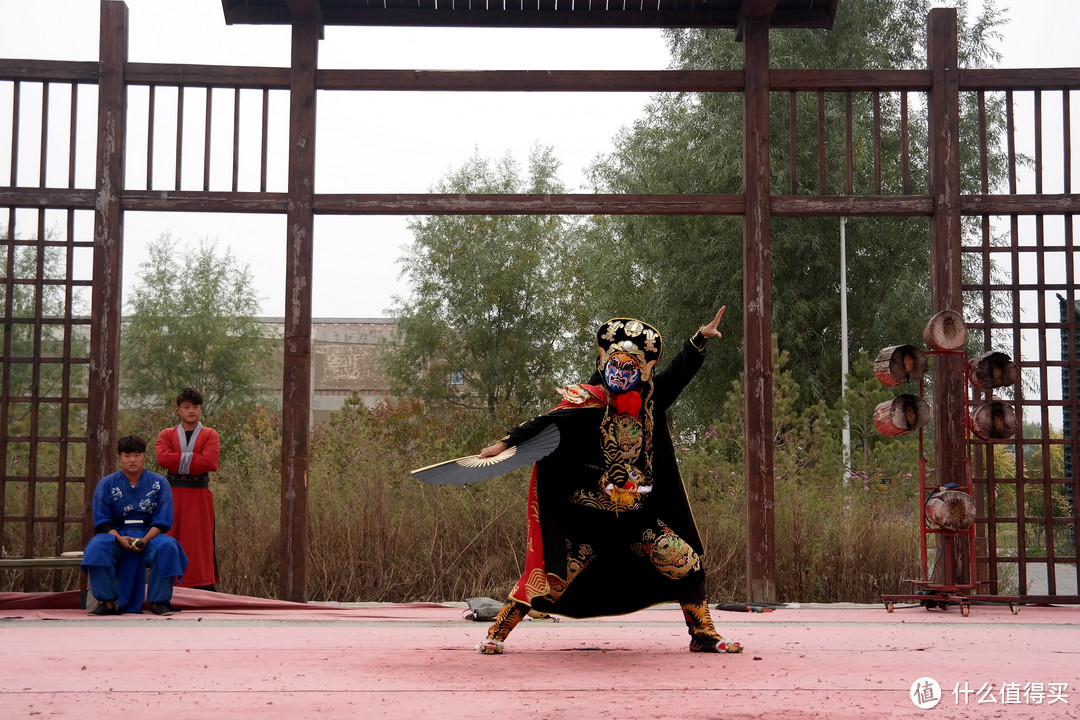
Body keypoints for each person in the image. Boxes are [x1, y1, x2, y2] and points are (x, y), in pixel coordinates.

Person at [475, 308, 744, 655]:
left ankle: (702, 634)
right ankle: (497, 632)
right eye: (613, 366)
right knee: (551, 581)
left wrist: (698, 341)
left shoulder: (650, 401)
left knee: (686, 562)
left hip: (637, 519)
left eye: (628, 368)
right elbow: (545, 423)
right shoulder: (586, 403)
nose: (619, 374)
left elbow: (677, 374)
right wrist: (504, 444)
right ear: (604, 366)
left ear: (641, 371)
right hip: (588, 521)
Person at [82, 435, 187, 615]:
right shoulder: (106, 484)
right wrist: (119, 538)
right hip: (117, 534)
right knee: (97, 546)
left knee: (168, 547)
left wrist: (145, 539)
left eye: (137, 455)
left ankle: (159, 602)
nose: (132, 460)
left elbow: (163, 519)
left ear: (144, 457)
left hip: (150, 534)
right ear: (120, 457)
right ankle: (106, 602)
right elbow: (102, 519)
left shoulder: (160, 483)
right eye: (127, 455)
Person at [155, 387, 221, 591]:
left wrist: (178, 459)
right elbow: (162, 459)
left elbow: (210, 463)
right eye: (186, 407)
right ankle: (169, 583)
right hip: (172, 493)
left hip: (199, 492)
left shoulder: (210, 434)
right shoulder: (167, 434)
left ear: (201, 409)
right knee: (170, 536)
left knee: (198, 540)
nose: (191, 411)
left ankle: (201, 584)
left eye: (195, 407)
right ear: (179, 410)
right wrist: (195, 458)